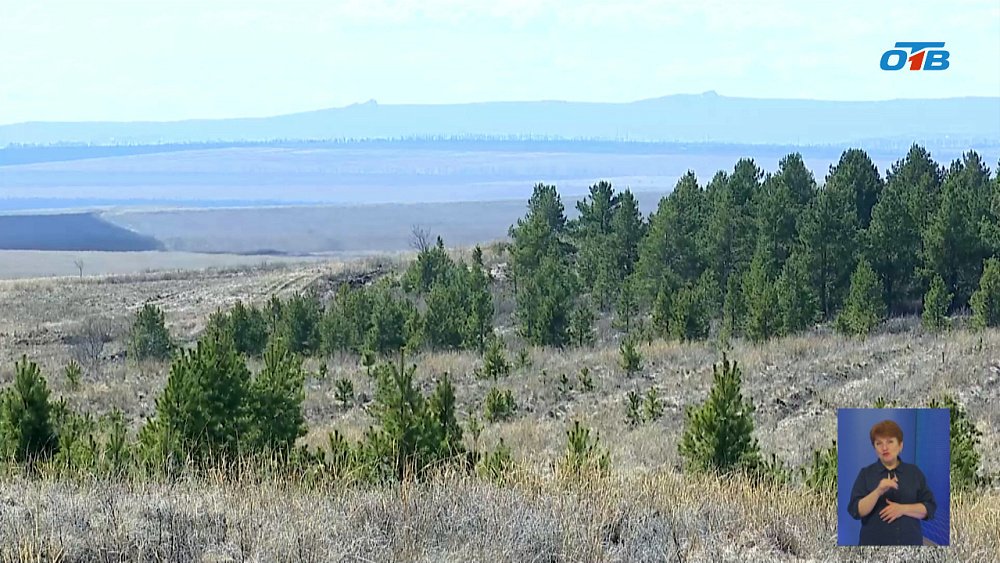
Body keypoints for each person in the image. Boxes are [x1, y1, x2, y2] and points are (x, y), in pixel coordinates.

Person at [847, 419, 937, 545]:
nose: (884, 447)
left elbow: (930, 508)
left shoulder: (914, 472)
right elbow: (856, 511)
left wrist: (902, 509)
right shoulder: (865, 474)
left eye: (890, 442)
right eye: (879, 443)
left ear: (900, 445)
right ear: (875, 448)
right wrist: (878, 492)